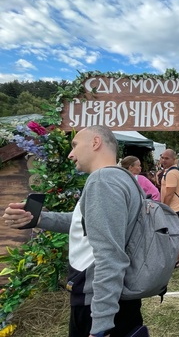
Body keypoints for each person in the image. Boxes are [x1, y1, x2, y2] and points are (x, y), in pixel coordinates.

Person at [3, 125, 144, 337]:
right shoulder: (122, 179)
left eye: (75, 145)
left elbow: (109, 255)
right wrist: (39, 218)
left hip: (97, 302)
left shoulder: (102, 181)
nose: (70, 154)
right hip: (116, 298)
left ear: (95, 143)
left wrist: (101, 326)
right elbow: (84, 223)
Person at [160, 149, 179, 227]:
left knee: (174, 235)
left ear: (174, 159)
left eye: (167, 158)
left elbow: (169, 194)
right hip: (176, 208)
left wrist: (164, 210)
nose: (164, 160)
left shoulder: (171, 173)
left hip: (173, 209)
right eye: (163, 158)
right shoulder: (172, 171)